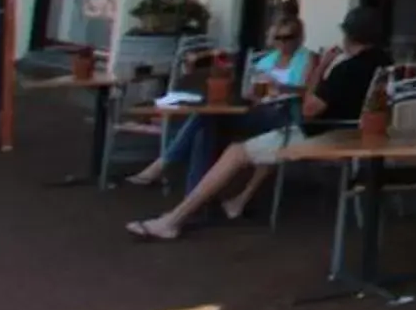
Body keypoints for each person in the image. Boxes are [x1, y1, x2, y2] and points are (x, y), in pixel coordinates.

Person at [127, 9, 384, 241]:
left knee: (236, 151)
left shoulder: (346, 69)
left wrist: (323, 67)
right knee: (209, 123)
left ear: (348, 36)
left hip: (325, 134)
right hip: (358, 132)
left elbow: (309, 110)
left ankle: (173, 219)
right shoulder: (384, 63)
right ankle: (197, 202)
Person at [123, 12, 315, 193]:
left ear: (299, 37)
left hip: (284, 113)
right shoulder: (266, 59)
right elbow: (248, 88)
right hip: (256, 109)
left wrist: (280, 87)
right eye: (278, 38)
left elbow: (307, 91)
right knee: (207, 121)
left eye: (288, 38)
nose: (283, 43)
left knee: (207, 120)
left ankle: (164, 164)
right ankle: (193, 194)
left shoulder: (307, 58)